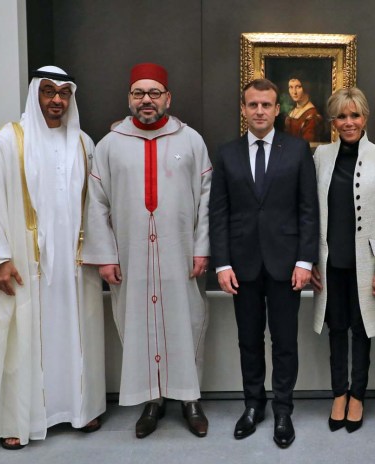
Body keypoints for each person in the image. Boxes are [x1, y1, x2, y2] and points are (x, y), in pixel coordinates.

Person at [0, 66, 105, 450]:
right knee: (20, 337)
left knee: (75, 332)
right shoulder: (8, 140)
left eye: (64, 93)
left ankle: (79, 409)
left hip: (73, 266)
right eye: (48, 91)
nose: (56, 100)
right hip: (23, 263)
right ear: (36, 94)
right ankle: (19, 419)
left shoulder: (83, 143)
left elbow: (97, 207)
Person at [83, 63, 212, 439]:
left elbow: (207, 199)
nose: (147, 100)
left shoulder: (191, 141)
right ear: (129, 99)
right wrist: (105, 256)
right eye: (139, 93)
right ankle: (151, 401)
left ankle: (190, 400)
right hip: (131, 257)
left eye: (154, 93)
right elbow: (96, 204)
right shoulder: (109, 145)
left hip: (180, 255)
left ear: (168, 98)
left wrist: (202, 248)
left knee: (186, 321)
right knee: (138, 324)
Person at [209, 78, 319, 448]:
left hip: (288, 265)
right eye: (252, 105)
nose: (259, 111)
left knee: (285, 342)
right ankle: (253, 405)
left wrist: (306, 260)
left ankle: (283, 409)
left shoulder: (298, 150)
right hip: (242, 267)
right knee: (249, 341)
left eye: (266, 105)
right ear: (243, 109)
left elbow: (308, 210)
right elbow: (219, 213)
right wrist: (222, 264)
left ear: (277, 109)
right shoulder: (226, 154)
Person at [310, 87, 375, 433]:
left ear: (365, 117)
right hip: (331, 262)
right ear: (333, 121)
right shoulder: (320, 156)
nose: (348, 122)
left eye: (354, 115)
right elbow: (312, 212)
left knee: (363, 331)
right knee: (336, 329)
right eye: (342, 116)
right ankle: (339, 394)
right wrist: (310, 261)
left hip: (368, 261)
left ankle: (358, 395)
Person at [284, 76, 324, 142]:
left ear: (306, 87)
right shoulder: (292, 112)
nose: (294, 92)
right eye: (291, 87)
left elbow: (308, 145)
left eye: (298, 87)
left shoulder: (311, 115)